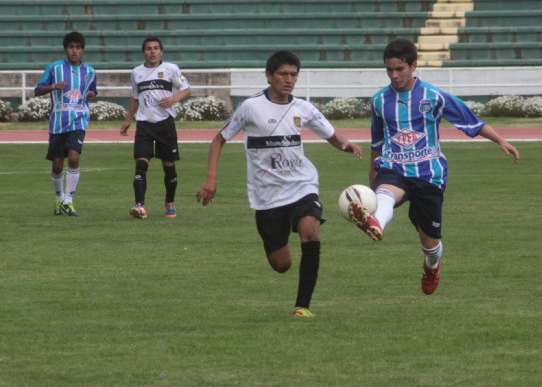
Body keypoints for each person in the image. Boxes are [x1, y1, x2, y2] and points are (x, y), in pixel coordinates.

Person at [196, 50, 363, 318]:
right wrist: (211, 178)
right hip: (267, 196)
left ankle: (302, 306)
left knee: (311, 231)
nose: (289, 80)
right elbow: (219, 139)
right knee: (282, 264)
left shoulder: (303, 108)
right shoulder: (251, 107)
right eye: (283, 74)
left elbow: (331, 135)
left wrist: (346, 144)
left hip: (302, 185)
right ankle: (278, 246)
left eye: (293, 75)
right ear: (269, 75)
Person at [348, 38, 520, 295]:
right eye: (389, 70)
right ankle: (375, 224)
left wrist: (501, 140)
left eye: (399, 69)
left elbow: (469, 120)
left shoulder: (434, 96)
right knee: (385, 193)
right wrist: (373, 171)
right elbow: (378, 140)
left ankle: (432, 265)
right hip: (393, 167)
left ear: (413, 65)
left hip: (429, 174)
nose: (394, 75)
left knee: (430, 244)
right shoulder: (379, 101)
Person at [120, 36, 191, 219]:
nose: (152, 52)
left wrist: (173, 99)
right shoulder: (136, 73)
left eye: (156, 48)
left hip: (165, 124)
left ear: (161, 52)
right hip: (144, 125)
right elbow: (135, 97)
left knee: (169, 166)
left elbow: (187, 89)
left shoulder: (170, 69)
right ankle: (140, 206)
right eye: (149, 49)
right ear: (144, 52)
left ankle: (169, 203)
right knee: (140, 165)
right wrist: (129, 119)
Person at [34, 31, 98, 216]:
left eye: (78, 48)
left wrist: (92, 97)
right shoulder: (54, 69)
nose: (75, 51)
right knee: (57, 165)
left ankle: (69, 201)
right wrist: (53, 86)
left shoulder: (91, 72)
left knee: (74, 158)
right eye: (71, 47)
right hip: (57, 123)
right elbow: (37, 90)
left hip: (79, 120)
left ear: (82, 50)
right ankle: (59, 199)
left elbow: (91, 93)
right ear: (65, 49)